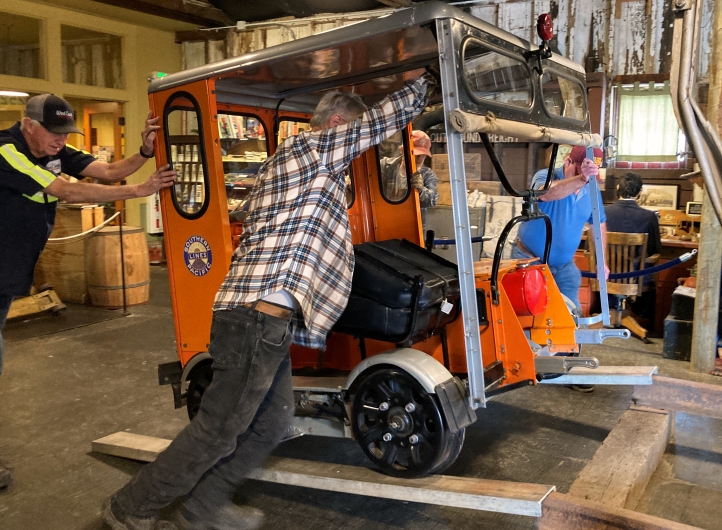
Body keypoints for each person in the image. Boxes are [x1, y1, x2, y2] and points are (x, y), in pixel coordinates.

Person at [103, 72, 435, 530]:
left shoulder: (310, 171)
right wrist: (425, 85)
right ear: (337, 124)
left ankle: (203, 507)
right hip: (254, 318)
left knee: (271, 423)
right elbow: (373, 126)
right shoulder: (310, 150)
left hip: (265, 322)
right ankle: (130, 508)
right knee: (218, 429)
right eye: (352, 137)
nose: (357, 150)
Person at [0, 94, 176, 491]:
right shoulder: (6, 150)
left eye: (65, 133)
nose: (61, 141)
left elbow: (111, 171)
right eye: (53, 132)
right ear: (28, 124)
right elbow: (68, 191)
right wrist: (139, 191)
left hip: (8, 269)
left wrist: (144, 152)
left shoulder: (58, 148)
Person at [513, 145, 607, 311]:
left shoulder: (591, 189)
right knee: (529, 317)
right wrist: (581, 179)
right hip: (529, 260)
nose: (585, 181)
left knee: (571, 318)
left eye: (591, 175)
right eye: (580, 172)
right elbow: (545, 194)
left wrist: (601, 261)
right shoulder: (545, 176)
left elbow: (598, 224)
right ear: (568, 161)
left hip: (564, 266)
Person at [604, 172, 662, 321]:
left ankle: (609, 311)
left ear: (618, 188)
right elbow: (655, 250)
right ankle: (640, 317)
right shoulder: (649, 217)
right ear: (639, 192)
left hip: (606, 274)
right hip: (635, 278)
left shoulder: (603, 212)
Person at [381, 130, 439, 209]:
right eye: (416, 153)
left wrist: (420, 189)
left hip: (414, 218)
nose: (420, 158)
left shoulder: (428, 175)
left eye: (423, 154)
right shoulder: (385, 166)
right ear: (402, 150)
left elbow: (432, 201)